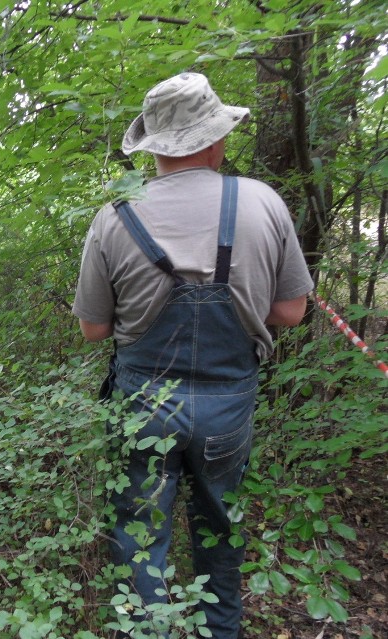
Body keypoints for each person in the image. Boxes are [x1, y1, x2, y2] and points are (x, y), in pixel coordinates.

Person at [72, 73, 313, 637]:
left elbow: (93, 328)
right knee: (221, 528)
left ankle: (147, 628)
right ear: (214, 138)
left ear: (153, 144)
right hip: (229, 405)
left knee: (139, 534)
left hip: (143, 405)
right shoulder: (263, 203)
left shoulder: (114, 216)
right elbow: (292, 312)